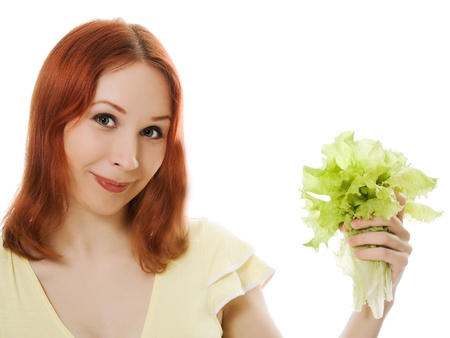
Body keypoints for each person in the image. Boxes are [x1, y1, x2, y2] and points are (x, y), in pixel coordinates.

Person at [0, 18, 412, 338]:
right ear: (51, 119)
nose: (129, 159)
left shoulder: (209, 257)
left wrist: (372, 303)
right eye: (105, 119)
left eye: (152, 132)